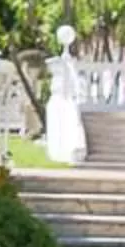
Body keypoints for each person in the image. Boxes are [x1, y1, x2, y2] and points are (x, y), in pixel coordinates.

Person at [43, 22, 88, 166]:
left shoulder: (68, 64)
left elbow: (75, 79)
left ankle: (70, 152)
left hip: (65, 98)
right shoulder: (58, 64)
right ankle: (65, 152)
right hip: (60, 98)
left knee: (71, 123)